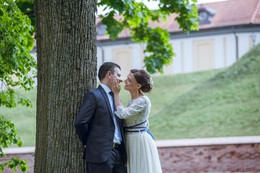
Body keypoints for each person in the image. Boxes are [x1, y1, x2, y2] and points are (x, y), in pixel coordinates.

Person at [75, 62, 127, 173]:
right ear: (109, 74)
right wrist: (91, 143)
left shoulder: (117, 98)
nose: (121, 79)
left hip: (119, 154)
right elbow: (80, 122)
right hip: (99, 154)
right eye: (118, 75)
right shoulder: (93, 95)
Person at [111, 69, 162, 173]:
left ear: (138, 86)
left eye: (129, 80)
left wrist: (116, 94)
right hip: (129, 139)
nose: (125, 81)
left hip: (138, 140)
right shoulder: (133, 100)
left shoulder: (143, 101)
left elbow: (123, 114)